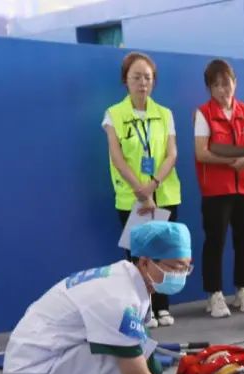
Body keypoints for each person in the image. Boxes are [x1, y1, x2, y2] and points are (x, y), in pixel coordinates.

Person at [3, 222, 200, 374]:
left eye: (186, 268)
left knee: (138, 345)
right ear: (145, 261)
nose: (180, 275)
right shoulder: (119, 299)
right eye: (175, 267)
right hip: (35, 372)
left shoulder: (123, 276)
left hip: (34, 361)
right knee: (141, 362)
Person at [103, 51, 182, 328]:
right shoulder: (113, 115)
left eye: (147, 77)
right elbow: (117, 157)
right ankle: (143, 309)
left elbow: (172, 154)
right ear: (125, 80)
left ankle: (162, 307)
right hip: (132, 198)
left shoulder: (165, 114)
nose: (142, 83)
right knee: (138, 256)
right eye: (136, 77)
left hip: (164, 194)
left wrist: (153, 184)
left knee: (163, 253)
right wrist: (140, 190)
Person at [194, 59, 244, 319]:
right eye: (216, 86)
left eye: (226, 84)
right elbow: (201, 152)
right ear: (209, 89)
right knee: (215, 242)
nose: (222, 90)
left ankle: (243, 289)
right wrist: (230, 162)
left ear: (235, 83)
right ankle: (214, 294)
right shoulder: (203, 113)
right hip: (216, 189)